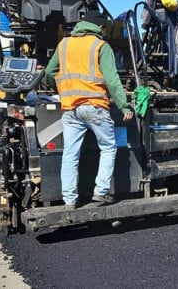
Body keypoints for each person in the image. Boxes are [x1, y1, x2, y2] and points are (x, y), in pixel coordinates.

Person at [44, 20, 134, 210]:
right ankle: (100, 192)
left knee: (70, 153)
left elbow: (49, 72)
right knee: (108, 147)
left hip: (70, 108)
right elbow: (112, 79)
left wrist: (61, 90)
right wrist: (124, 106)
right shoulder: (101, 46)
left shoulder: (64, 44)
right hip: (95, 106)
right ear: (99, 31)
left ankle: (69, 200)